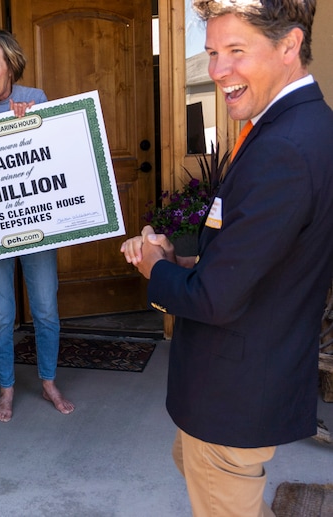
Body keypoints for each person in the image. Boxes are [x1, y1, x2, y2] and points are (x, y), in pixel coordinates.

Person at [120, 1, 333, 515]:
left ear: (290, 46)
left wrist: (157, 267)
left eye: (236, 51)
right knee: (194, 467)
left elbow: (216, 299)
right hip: (250, 378)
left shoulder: (283, 146)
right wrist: (182, 260)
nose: (217, 70)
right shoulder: (304, 126)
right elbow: (264, 260)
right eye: (213, 52)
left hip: (234, 392)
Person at [0, 30, 75, 422]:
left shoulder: (35, 98)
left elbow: (52, 154)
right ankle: (6, 389)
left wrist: (33, 124)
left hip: (36, 224)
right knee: (2, 314)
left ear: (9, 65)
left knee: (44, 308)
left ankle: (47, 382)